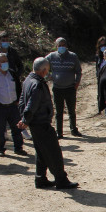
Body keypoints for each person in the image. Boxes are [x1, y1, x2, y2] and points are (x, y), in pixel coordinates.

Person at [18, 58, 79, 190]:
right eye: (47, 70)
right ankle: (61, 180)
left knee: (41, 152)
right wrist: (25, 120)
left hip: (35, 124)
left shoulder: (27, 81)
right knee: (53, 152)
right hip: (41, 123)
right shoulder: (37, 84)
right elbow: (31, 105)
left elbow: (22, 101)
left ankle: (40, 178)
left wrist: (24, 118)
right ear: (44, 70)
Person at [0, 53, 28, 157]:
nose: (5, 63)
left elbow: (19, 88)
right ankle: (0, 149)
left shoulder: (12, 74)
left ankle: (18, 148)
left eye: (6, 60)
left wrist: (18, 101)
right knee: (0, 130)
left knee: (17, 129)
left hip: (13, 106)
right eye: (2, 61)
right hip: (0, 108)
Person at [45, 37, 83, 138]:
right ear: (56, 46)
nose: (61, 47)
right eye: (59, 45)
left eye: (63, 45)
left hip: (70, 88)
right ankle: (59, 132)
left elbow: (78, 71)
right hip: (57, 88)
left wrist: (76, 83)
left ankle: (73, 129)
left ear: (66, 46)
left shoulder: (73, 56)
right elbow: (42, 64)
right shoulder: (51, 56)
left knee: (72, 111)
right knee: (58, 111)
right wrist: (49, 76)